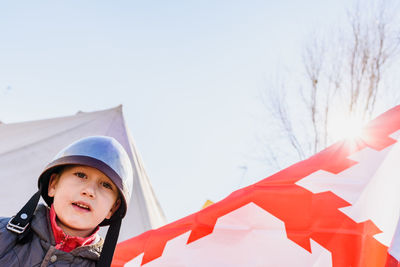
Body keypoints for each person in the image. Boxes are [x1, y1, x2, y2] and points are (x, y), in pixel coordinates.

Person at [0, 136, 133, 267]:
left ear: (113, 208)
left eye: (106, 185)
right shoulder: (2, 234)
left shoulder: (115, 265)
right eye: (81, 175)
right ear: (53, 184)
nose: (89, 191)